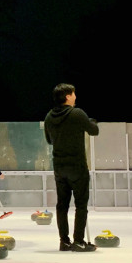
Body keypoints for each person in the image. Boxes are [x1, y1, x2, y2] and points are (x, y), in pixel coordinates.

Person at [44, 83, 100, 251]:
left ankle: (64, 241)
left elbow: (49, 140)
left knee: (62, 205)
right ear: (67, 96)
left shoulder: (49, 117)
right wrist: (91, 121)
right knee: (81, 204)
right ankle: (78, 241)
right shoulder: (77, 113)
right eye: (74, 94)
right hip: (77, 165)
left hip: (59, 166)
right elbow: (94, 131)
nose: (75, 97)